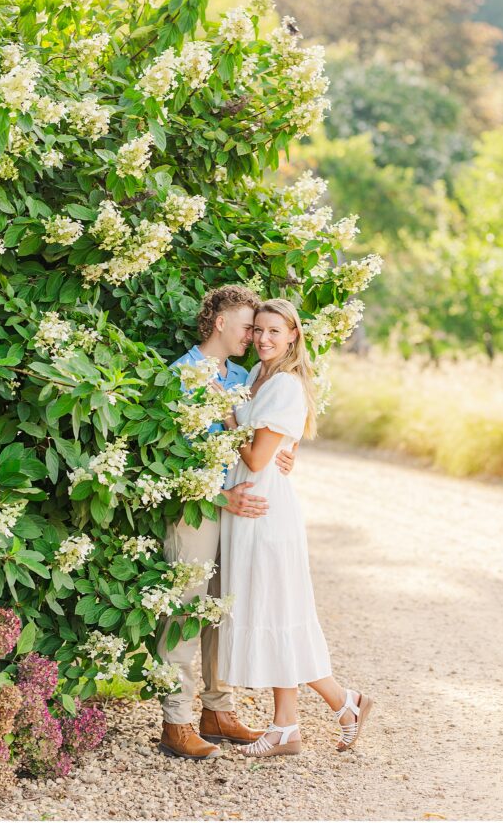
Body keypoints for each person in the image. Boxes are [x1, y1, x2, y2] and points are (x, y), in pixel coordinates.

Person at [218, 298, 374, 757]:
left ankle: (343, 702)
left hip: (266, 514)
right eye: (258, 330)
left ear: (293, 336)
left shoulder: (283, 384)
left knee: (277, 614)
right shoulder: (257, 376)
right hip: (251, 506)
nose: (263, 339)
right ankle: (288, 725)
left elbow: (256, 457)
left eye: (274, 331)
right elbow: (272, 445)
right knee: (272, 614)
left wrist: (225, 412)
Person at [156, 285, 297, 760]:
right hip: (196, 509)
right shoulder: (180, 375)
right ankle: (175, 722)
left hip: (237, 515)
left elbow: (264, 433)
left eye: (261, 329)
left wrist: (285, 453)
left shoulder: (244, 375)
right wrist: (220, 496)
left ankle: (217, 710)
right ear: (219, 323)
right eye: (247, 326)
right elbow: (164, 461)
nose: (253, 335)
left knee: (222, 610)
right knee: (186, 610)